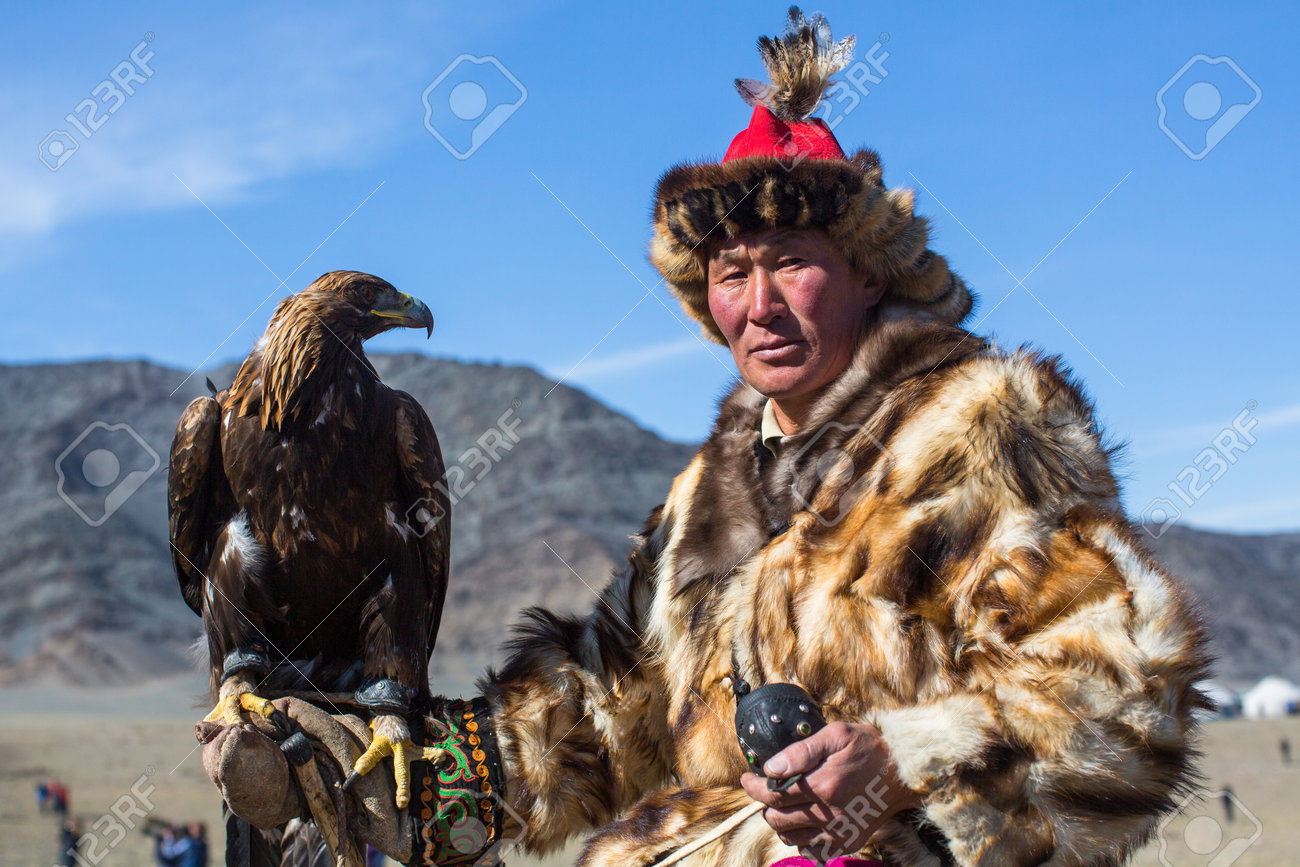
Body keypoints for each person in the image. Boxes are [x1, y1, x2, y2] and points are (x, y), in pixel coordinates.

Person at [204, 8, 1209, 866]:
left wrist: (904, 762)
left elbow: (1123, 701)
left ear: (869, 273)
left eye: (792, 261)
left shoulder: (984, 436)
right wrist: (399, 773)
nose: (760, 303)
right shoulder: (706, 501)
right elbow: (601, 719)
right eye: (732, 274)